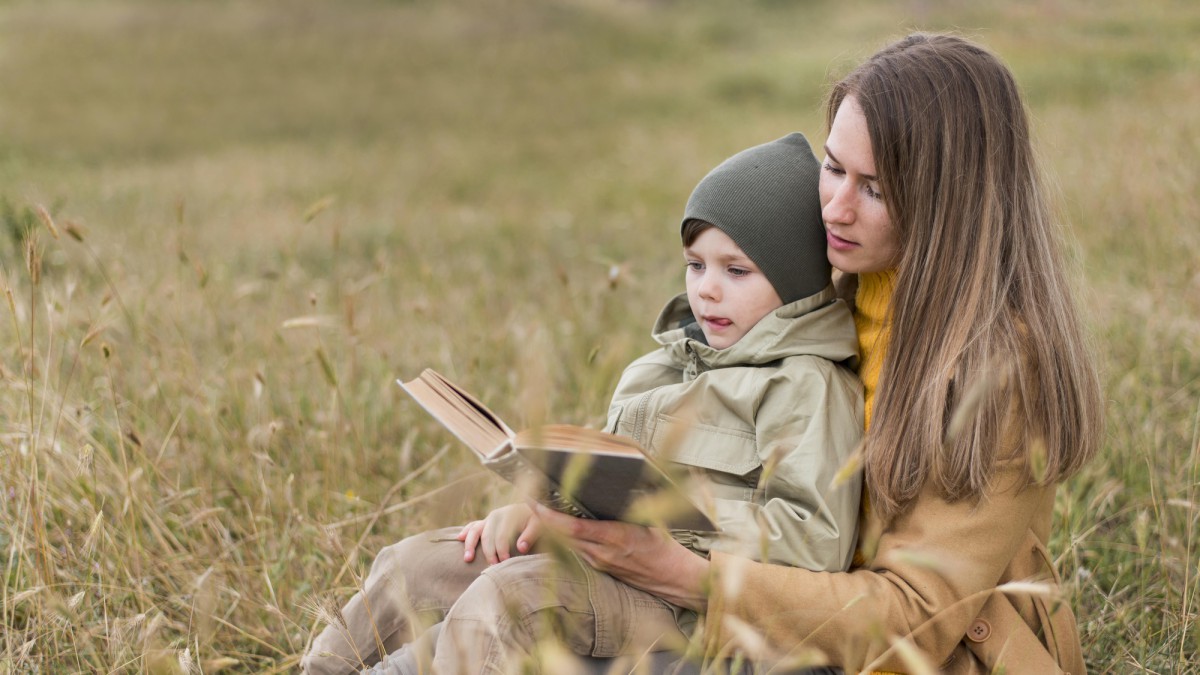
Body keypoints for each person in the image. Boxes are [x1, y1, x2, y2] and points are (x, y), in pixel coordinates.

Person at [533, 32, 1103, 674]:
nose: (834, 208)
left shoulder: (999, 367)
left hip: (906, 658)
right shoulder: (822, 297)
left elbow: (912, 622)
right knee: (478, 582)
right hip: (773, 610)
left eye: (875, 189)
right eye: (833, 168)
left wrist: (687, 574)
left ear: (950, 205)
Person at [302, 132, 865, 674]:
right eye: (696, 265)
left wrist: (669, 522)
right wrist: (537, 511)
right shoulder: (657, 370)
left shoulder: (806, 385)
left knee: (510, 599)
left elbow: (815, 540)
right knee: (411, 566)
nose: (706, 289)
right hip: (599, 560)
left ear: (794, 283)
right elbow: (603, 482)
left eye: (736, 271)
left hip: (682, 603)